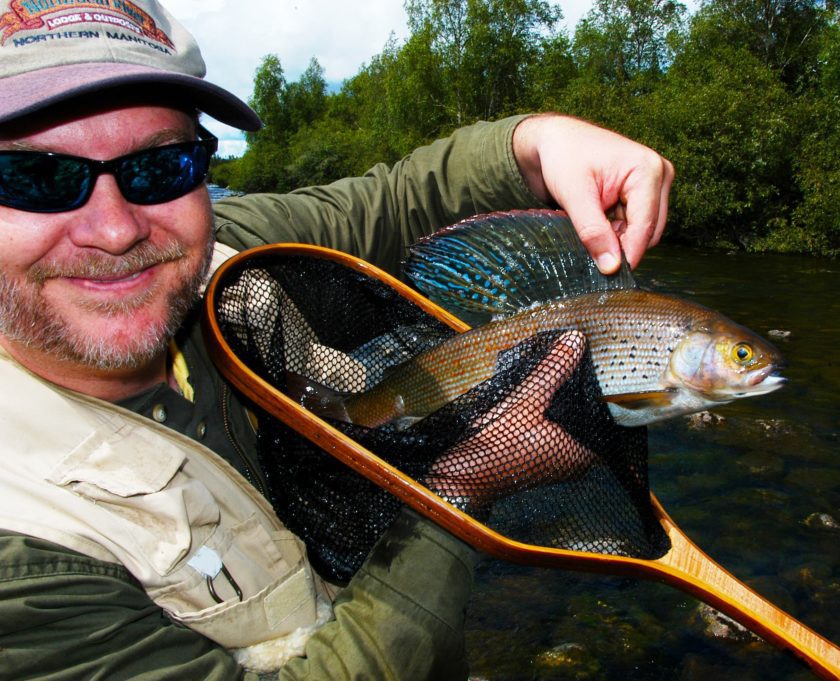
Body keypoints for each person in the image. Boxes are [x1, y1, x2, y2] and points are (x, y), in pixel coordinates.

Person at [0, 1, 674, 679]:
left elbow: (398, 198)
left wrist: (538, 141)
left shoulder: (225, 248)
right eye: (33, 178)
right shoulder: (22, 555)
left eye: (160, 167)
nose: (116, 229)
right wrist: (457, 491)